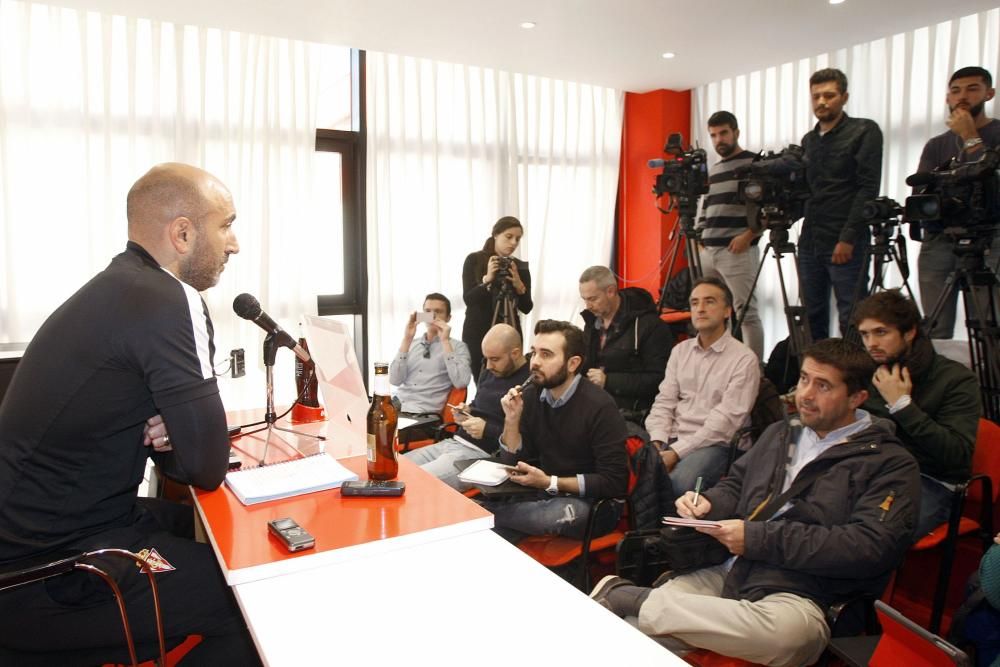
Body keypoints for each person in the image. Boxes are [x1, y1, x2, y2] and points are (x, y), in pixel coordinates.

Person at [0, 163, 260, 664]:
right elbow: (206, 467)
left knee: (203, 528)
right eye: (226, 224)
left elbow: (182, 459)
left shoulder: (119, 287)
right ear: (183, 233)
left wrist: (173, 433)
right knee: (251, 597)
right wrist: (180, 434)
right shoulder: (168, 297)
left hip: (56, 533)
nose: (234, 243)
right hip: (54, 573)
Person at [590, 338, 920, 666]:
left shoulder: (891, 464)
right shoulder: (780, 433)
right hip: (729, 570)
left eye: (823, 386)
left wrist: (756, 539)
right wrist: (708, 502)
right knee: (632, 630)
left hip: (801, 592)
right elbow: (735, 485)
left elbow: (867, 547)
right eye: (804, 379)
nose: (805, 394)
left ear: (857, 398)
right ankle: (643, 604)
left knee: (788, 639)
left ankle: (633, 597)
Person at [479, 320, 629, 543]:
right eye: (534, 353)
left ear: (573, 363)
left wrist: (551, 482)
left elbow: (614, 482)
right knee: (492, 536)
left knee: (551, 515)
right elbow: (513, 460)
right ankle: (485, 517)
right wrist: (511, 420)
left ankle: (481, 514)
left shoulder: (600, 407)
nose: (535, 363)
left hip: (591, 503)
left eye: (546, 355)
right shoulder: (532, 396)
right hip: (543, 492)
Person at [853, 290, 980, 537]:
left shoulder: (955, 379)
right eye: (864, 334)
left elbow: (956, 455)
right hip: (869, 469)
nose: (871, 344)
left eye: (881, 332)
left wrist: (902, 406)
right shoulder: (869, 370)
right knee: (816, 514)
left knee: (875, 536)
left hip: (931, 480)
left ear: (910, 332)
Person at [645, 276, 759, 501]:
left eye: (709, 302)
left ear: (727, 311)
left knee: (680, 484)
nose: (700, 309)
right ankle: (646, 534)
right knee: (635, 473)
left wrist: (677, 452)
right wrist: (657, 442)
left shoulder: (744, 359)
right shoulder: (681, 351)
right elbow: (664, 402)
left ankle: (675, 535)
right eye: (695, 303)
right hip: (674, 437)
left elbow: (724, 423)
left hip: (719, 444)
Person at [798, 68, 884, 340]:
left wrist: (848, 237)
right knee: (811, 315)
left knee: (853, 316)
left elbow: (867, 188)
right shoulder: (809, 141)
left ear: (844, 97)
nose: (822, 102)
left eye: (829, 95)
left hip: (846, 238)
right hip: (811, 240)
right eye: (816, 96)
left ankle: (852, 379)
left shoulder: (864, 130)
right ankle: (817, 376)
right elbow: (807, 192)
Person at [915, 66, 1000, 339]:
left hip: (990, 237)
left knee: (989, 326)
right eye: (955, 91)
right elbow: (921, 192)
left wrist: (970, 137)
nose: (962, 96)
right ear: (947, 98)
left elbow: (993, 185)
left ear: (989, 93)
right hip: (941, 237)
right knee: (934, 327)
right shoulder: (936, 145)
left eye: (972, 89)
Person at [404, 323, 530, 489]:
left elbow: (527, 439)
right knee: (395, 467)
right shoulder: (490, 371)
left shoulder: (529, 384)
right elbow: (479, 405)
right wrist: (466, 410)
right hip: (454, 442)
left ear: (515, 353)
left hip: (482, 454)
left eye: (495, 359)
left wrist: (487, 429)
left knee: (411, 484)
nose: (489, 366)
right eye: (486, 359)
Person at [697, 111, 765, 359]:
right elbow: (707, 205)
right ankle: (721, 365)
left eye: (723, 133)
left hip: (737, 250)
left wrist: (748, 236)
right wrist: (700, 240)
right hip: (709, 252)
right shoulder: (715, 169)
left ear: (736, 132)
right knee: (714, 312)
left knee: (746, 312)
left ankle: (754, 372)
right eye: (713, 135)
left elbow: (766, 208)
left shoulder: (754, 164)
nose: (719, 139)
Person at [578, 266, 674, 423]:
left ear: (611, 291)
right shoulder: (592, 322)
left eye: (593, 299)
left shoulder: (650, 326)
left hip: (634, 412)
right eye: (584, 299)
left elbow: (660, 380)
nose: (587, 306)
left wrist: (608, 381)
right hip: (596, 404)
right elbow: (588, 363)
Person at [461, 216, 533, 379]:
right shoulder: (475, 260)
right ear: (495, 235)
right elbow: (469, 299)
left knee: (513, 380)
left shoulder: (520, 267)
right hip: (478, 333)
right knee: (482, 382)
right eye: (509, 237)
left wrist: (519, 285)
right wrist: (487, 280)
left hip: (510, 332)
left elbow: (527, 307)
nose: (513, 243)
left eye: (518, 239)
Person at [390, 292, 472, 415]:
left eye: (438, 311)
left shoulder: (457, 347)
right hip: (398, 406)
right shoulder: (411, 343)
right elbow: (394, 380)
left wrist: (445, 341)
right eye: (427, 311)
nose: (432, 316)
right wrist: (407, 339)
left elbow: (461, 382)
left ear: (448, 317)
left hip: (425, 414)